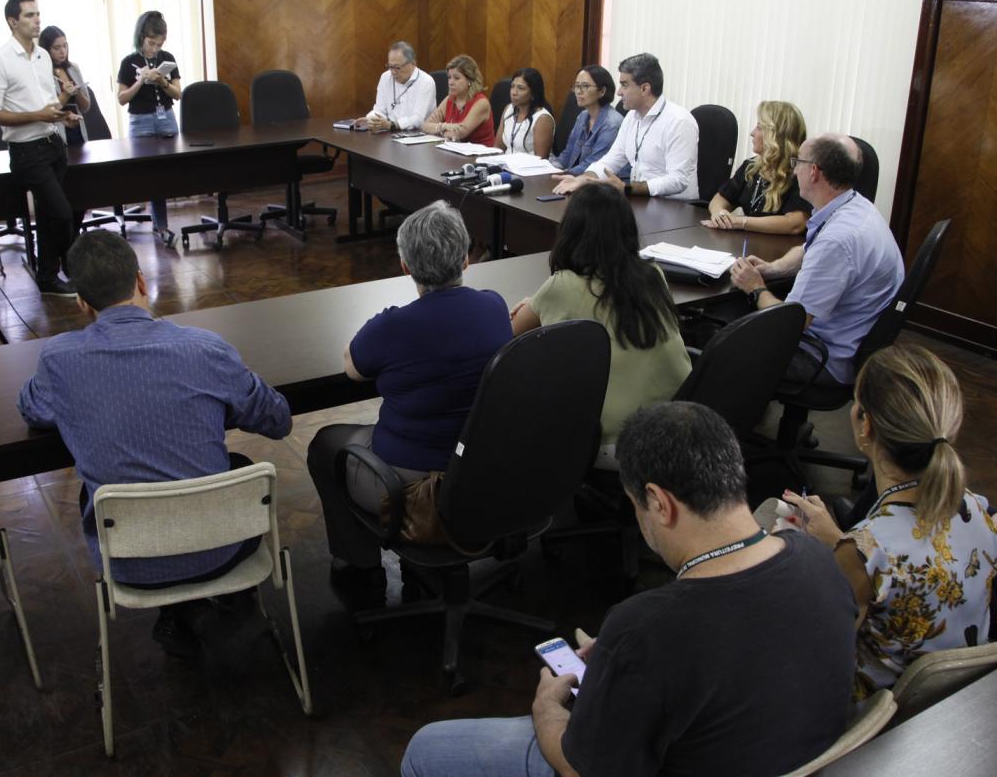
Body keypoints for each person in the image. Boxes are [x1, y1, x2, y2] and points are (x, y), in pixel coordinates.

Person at [401, 402, 856, 777]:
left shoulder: (646, 627)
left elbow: (585, 770)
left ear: (659, 503)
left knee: (424, 750)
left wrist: (547, 710)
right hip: (792, 755)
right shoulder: (818, 555)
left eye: (636, 504)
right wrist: (627, 662)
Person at [18, 230, 291, 655]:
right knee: (232, 465)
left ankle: (176, 613)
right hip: (221, 548)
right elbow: (278, 420)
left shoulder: (59, 360)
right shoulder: (205, 349)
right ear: (142, 282)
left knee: (114, 487)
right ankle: (221, 599)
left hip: (128, 561)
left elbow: (33, 410)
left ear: (82, 303)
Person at [306, 201, 512, 604]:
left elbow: (352, 367)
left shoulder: (394, 326)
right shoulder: (493, 307)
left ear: (405, 267)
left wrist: (385, 321)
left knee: (325, 445)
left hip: (408, 485)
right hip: (481, 472)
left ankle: (360, 568)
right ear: (467, 259)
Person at [783, 345, 997, 700]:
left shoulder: (864, 552)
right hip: (955, 695)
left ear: (864, 424)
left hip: (873, 708)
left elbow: (818, 652)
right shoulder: (979, 509)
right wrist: (843, 543)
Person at [509, 184, 691, 467]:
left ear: (571, 232)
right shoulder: (653, 273)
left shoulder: (562, 286)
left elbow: (512, 331)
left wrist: (534, 302)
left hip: (617, 441)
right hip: (682, 426)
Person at [729, 133, 904, 389]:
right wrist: (774, 268)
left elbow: (792, 322)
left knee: (718, 341)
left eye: (796, 162)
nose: (793, 170)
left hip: (821, 357)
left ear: (813, 172)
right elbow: (810, 247)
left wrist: (756, 287)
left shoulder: (838, 241)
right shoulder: (856, 206)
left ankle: (728, 420)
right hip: (847, 337)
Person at [0, 0, 81, 297]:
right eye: (29, 15)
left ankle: (48, 277)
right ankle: (76, 269)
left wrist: (62, 115)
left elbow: (47, 103)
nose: (37, 20)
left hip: (54, 144)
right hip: (27, 152)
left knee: (52, 214)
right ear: (12, 21)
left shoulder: (42, 57)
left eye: (37, 14)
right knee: (62, 213)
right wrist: (38, 115)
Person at [552, 52, 699, 199]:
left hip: (676, 209)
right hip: (641, 199)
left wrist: (628, 188)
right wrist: (584, 179)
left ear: (644, 89)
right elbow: (612, 159)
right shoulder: (631, 117)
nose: (619, 92)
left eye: (624, 85)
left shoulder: (679, 121)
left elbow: (678, 180)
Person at [116, 10, 182, 247]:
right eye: (151, 43)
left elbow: (178, 93)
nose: (155, 48)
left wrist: (161, 81)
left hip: (166, 117)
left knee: (167, 172)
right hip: (141, 120)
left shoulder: (168, 58)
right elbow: (122, 98)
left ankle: (160, 223)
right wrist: (141, 80)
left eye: (159, 44)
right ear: (142, 37)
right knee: (148, 174)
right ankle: (161, 224)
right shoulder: (128, 61)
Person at [703, 100, 811, 235]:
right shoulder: (752, 166)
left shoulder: (800, 173)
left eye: (759, 128)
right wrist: (720, 213)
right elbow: (721, 198)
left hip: (780, 250)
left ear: (776, 135)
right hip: (749, 246)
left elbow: (794, 224)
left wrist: (742, 222)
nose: (752, 133)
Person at [552, 65, 625, 177]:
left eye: (585, 86)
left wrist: (564, 175)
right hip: (574, 177)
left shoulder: (611, 124)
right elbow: (566, 155)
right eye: (576, 86)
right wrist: (549, 170)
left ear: (602, 91)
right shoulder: (583, 116)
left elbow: (593, 163)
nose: (578, 92)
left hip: (594, 183)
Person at [355, 40, 437, 132]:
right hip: (391, 132)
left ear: (413, 64)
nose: (393, 72)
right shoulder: (385, 77)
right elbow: (380, 110)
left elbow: (418, 119)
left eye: (397, 67)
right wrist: (371, 120)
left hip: (419, 135)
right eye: (390, 66)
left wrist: (393, 125)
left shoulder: (426, 82)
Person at [421, 55, 495, 147]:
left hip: (479, 156)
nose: (450, 82)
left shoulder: (481, 103)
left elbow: (460, 133)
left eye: (456, 78)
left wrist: (438, 129)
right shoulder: (450, 99)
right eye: (449, 77)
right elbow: (425, 126)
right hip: (455, 152)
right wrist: (445, 126)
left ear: (469, 80)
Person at [40, 25, 92, 148]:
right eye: (56, 48)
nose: (62, 51)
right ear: (46, 50)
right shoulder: (42, 72)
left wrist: (77, 92)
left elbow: (86, 107)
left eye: (65, 45)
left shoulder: (73, 68)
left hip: (78, 127)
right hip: (56, 130)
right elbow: (47, 110)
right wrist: (66, 94)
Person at [498, 68, 554, 156]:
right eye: (512, 86)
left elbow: (540, 160)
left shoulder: (542, 119)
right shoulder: (508, 109)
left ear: (533, 94)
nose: (514, 92)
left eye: (520, 88)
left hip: (529, 168)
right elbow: (498, 148)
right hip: (507, 165)